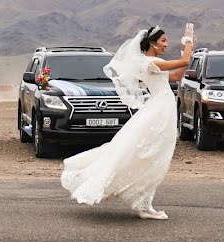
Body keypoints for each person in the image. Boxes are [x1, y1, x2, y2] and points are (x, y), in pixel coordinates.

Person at [61, 24, 195, 220]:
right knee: (149, 154)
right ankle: (142, 203)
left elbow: (177, 75)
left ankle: (145, 203)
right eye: (163, 40)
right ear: (152, 43)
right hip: (158, 110)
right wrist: (189, 41)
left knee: (156, 155)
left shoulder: (154, 62)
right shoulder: (149, 63)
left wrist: (185, 53)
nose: (166, 44)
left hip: (163, 109)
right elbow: (184, 60)